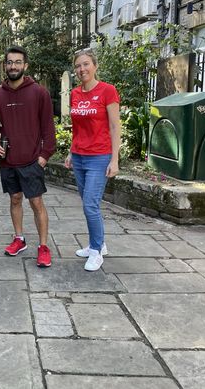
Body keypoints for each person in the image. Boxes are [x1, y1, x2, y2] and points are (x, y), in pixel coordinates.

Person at [0, 45, 56, 267]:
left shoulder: (39, 93)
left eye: (17, 62)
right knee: (15, 199)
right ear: (5, 66)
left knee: (36, 202)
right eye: (9, 62)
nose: (13, 66)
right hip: (8, 161)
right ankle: (19, 239)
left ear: (25, 65)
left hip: (32, 160)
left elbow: (48, 128)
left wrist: (44, 156)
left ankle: (43, 247)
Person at [65, 48, 121, 272]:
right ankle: (98, 243)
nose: (82, 69)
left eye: (86, 64)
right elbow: (76, 128)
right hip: (79, 156)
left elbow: (115, 126)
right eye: (78, 66)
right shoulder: (75, 93)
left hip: (99, 156)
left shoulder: (107, 91)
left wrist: (114, 159)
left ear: (95, 66)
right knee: (89, 204)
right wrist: (70, 151)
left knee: (90, 204)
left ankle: (96, 252)